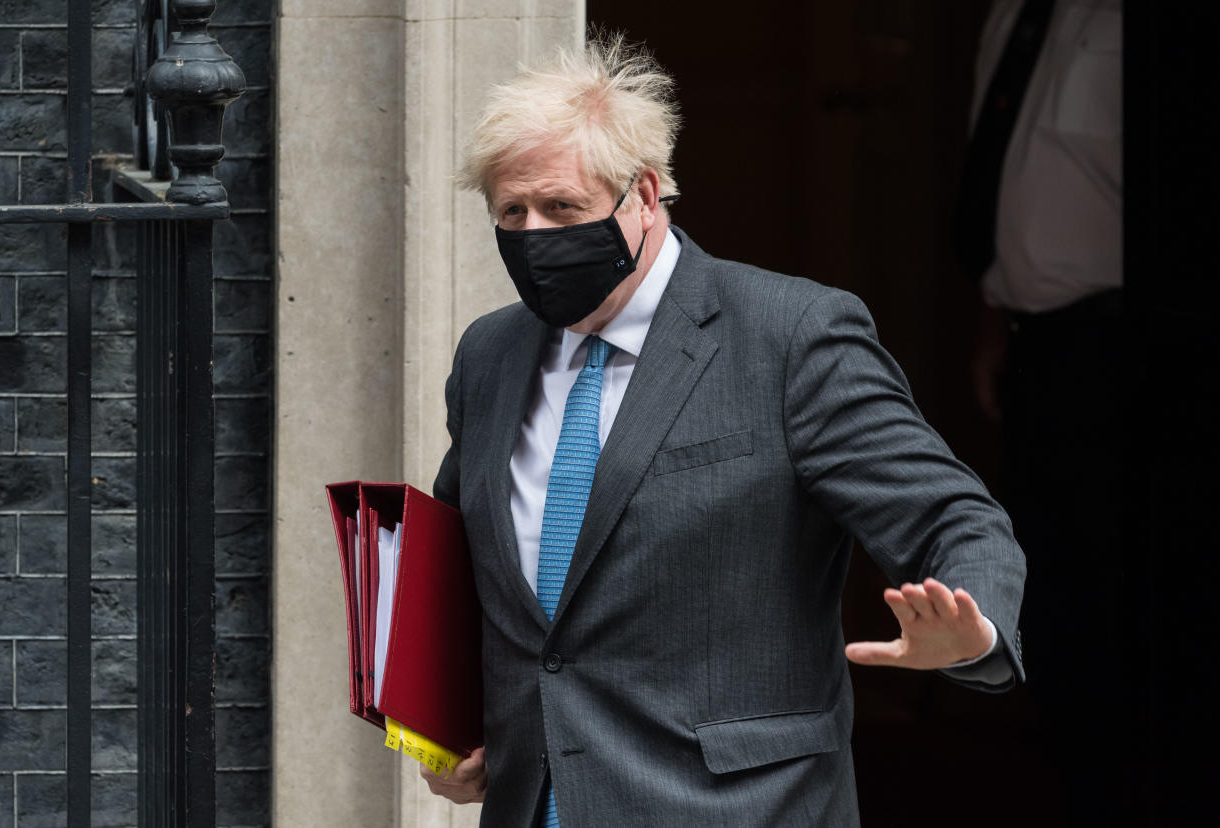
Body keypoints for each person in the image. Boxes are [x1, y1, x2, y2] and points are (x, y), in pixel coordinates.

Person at [424, 36, 1026, 826]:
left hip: (739, 807)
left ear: (643, 196)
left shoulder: (790, 336)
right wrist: (444, 734)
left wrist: (971, 629)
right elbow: (460, 566)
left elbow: (953, 516)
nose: (534, 235)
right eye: (511, 211)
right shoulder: (490, 355)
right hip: (538, 806)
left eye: (562, 208)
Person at [958, 0, 1122, 821]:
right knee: (1050, 596)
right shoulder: (1016, 14)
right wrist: (998, 316)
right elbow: (1009, 175)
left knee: (1126, 606)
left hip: (1128, 345)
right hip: (1037, 347)